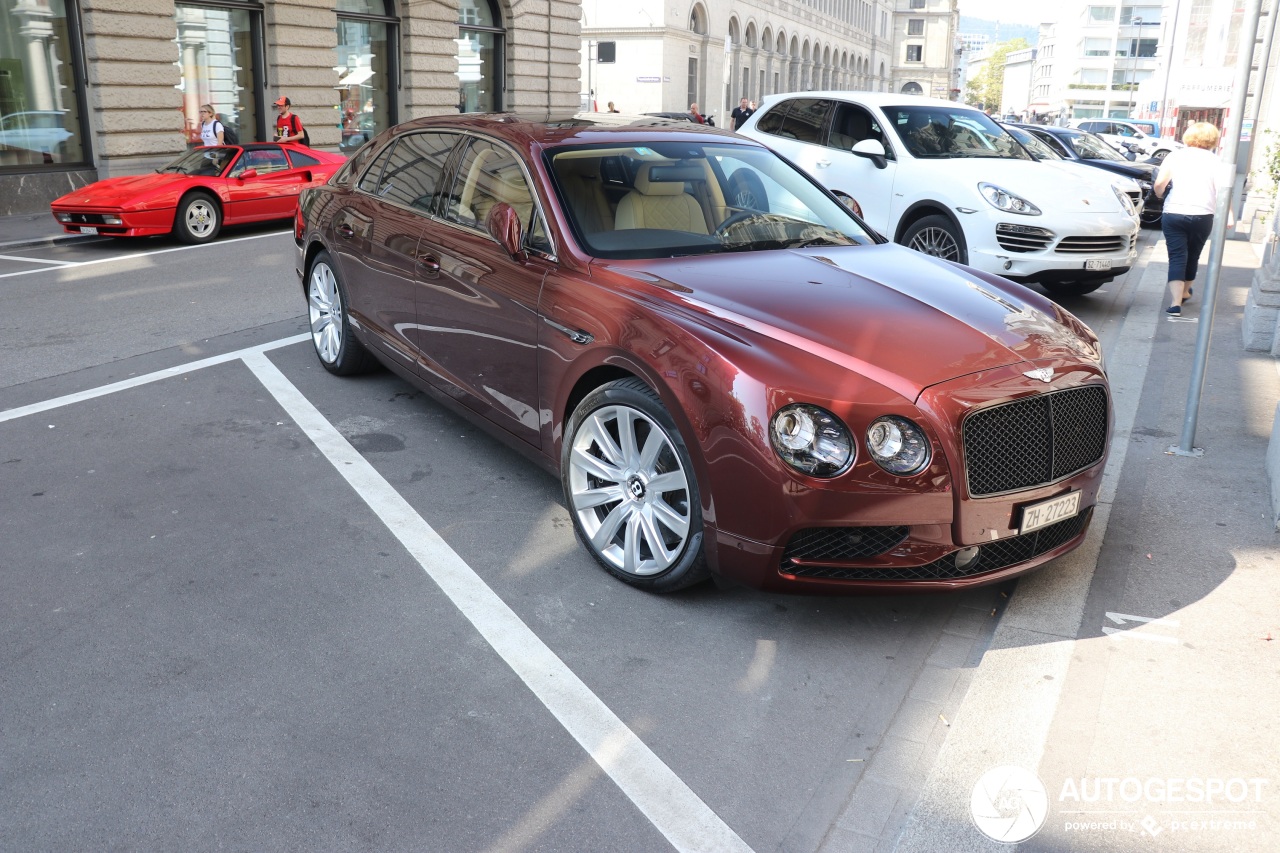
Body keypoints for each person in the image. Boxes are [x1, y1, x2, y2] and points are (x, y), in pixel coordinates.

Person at [1153, 121, 1224, 316]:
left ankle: (1176, 303)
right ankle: (1185, 291)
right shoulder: (1216, 160)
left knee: (1177, 256)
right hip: (1203, 214)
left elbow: (1160, 185)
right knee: (1193, 255)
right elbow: (1222, 191)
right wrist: (1229, 216)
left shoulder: (1175, 156)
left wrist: (1161, 196)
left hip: (1174, 212)